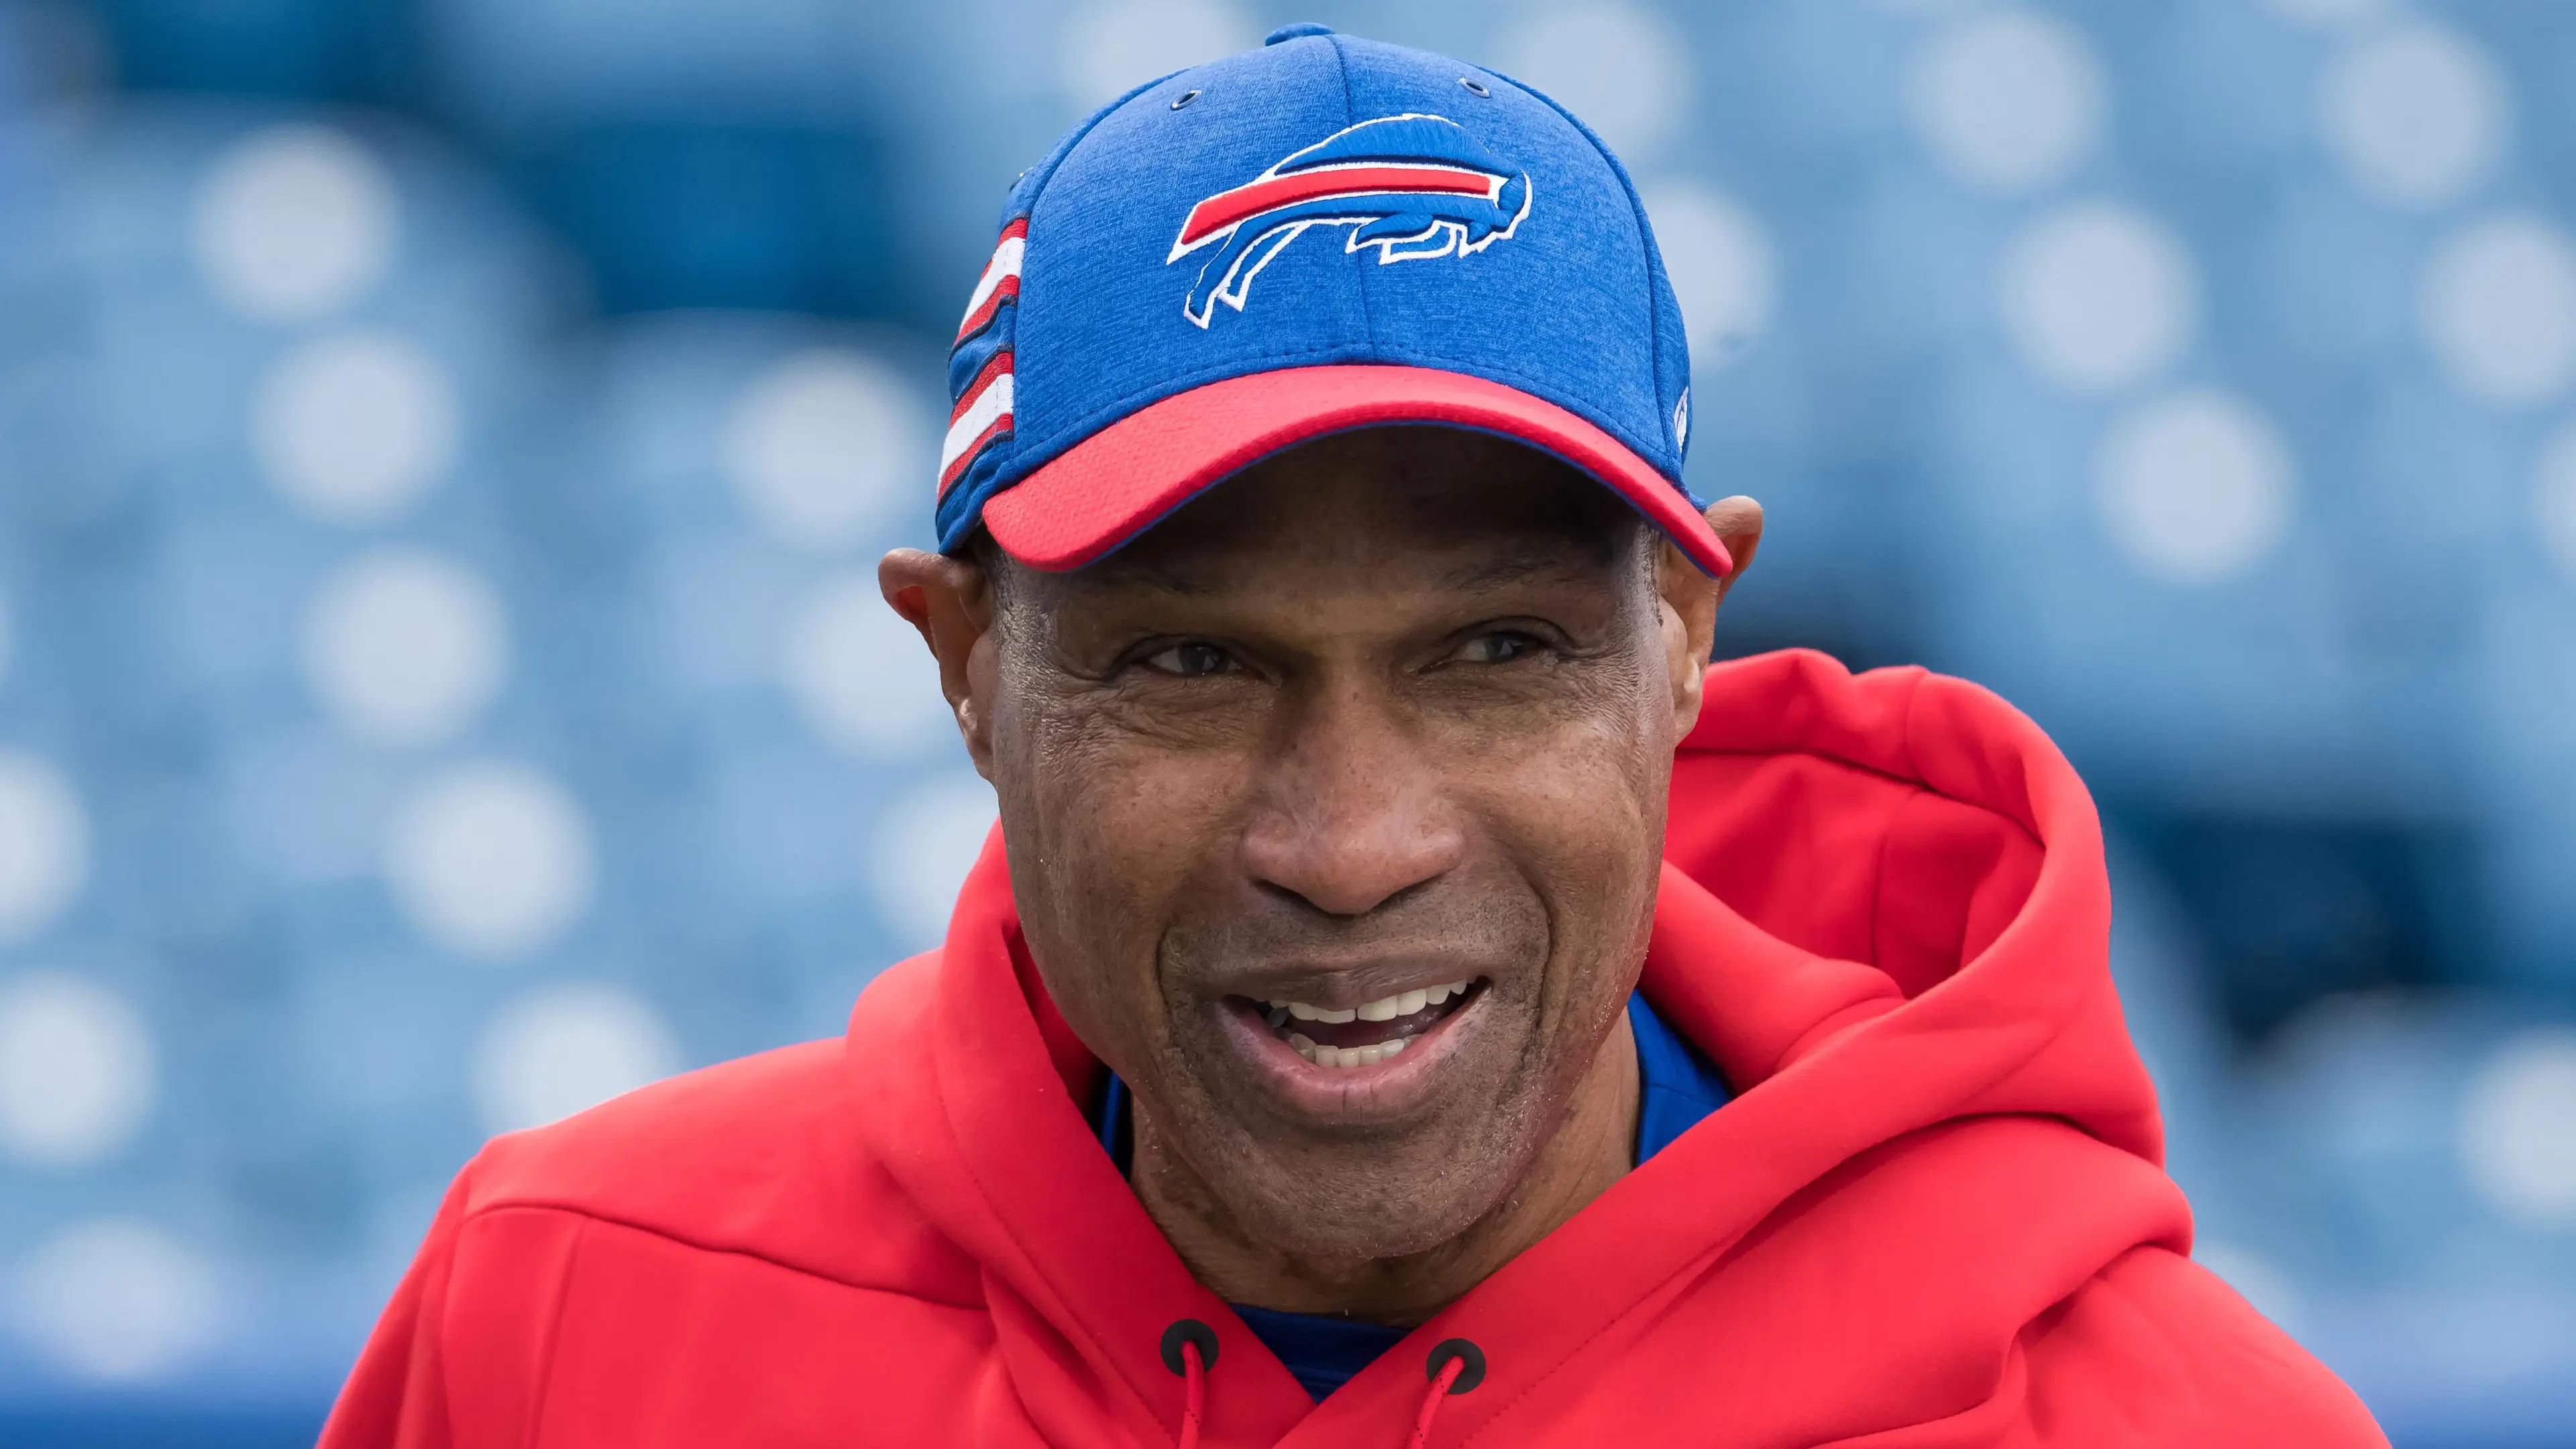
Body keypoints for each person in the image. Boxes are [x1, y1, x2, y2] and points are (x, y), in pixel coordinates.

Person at [321, 25, 2388, 1447]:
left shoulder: (2166, 1423)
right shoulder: (578, 1322)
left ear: (1684, 641)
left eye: (1496, 650)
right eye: (1189, 666)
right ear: (962, 666)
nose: (1352, 837)